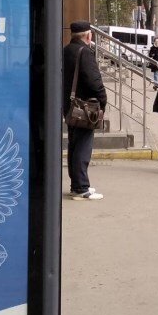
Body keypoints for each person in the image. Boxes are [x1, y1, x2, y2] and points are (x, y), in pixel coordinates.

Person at [63, 20, 107, 200]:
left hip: (69, 105)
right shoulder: (85, 52)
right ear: (88, 35)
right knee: (83, 146)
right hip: (85, 107)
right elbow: (94, 81)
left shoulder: (66, 50)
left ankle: (76, 185)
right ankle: (81, 188)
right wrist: (103, 101)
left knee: (74, 145)